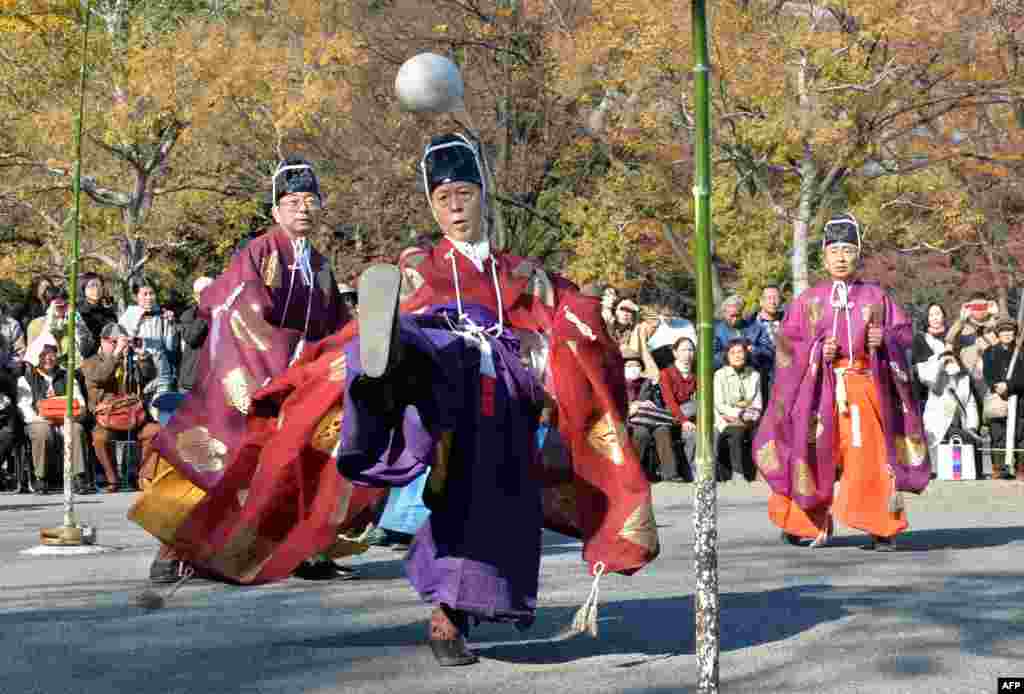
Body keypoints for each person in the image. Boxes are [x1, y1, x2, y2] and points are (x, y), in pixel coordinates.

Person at [133, 133, 658, 665]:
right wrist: (304, 357)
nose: (454, 206)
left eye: (464, 194)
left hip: (497, 401)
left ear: (483, 197)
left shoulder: (518, 273)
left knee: (486, 501)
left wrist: (589, 314)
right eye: (442, 198)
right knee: (417, 342)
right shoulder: (417, 266)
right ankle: (382, 373)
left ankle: (451, 616)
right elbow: (256, 307)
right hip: (429, 383)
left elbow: (570, 313)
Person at [131, 157, 355, 584]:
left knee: (311, 456)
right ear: (275, 211)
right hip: (245, 375)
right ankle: (169, 550)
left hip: (297, 379)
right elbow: (235, 307)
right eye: (292, 202)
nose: (302, 209)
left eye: (309, 201)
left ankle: (305, 550)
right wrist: (278, 358)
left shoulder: (321, 266)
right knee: (214, 462)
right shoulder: (259, 252)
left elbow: (336, 325)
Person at [754, 214, 930, 551]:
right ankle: (803, 522)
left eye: (848, 249)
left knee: (871, 454)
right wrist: (818, 348)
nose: (840, 257)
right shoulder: (808, 300)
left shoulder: (876, 296)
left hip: (862, 384)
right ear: (823, 255)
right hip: (817, 387)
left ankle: (881, 524)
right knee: (810, 449)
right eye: (834, 250)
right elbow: (788, 346)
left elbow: (904, 335)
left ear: (858, 254)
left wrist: (885, 341)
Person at [82, 323, 162, 492]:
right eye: (114, 342)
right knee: (99, 438)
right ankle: (113, 480)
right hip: (107, 419)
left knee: (156, 431)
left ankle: (142, 476)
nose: (119, 346)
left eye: (122, 342)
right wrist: (117, 354)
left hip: (133, 417)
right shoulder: (90, 363)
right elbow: (101, 376)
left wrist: (142, 356)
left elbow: (149, 376)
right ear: (102, 341)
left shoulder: (129, 361)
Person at [16, 344, 88, 494]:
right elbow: (24, 407)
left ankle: (78, 476)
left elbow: (80, 402)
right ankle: (40, 478)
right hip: (38, 420)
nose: (48, 358)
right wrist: (40, 419)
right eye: (43, 354)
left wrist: (74, 416)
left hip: (65, 419)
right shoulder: (26, 378)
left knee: (76, 429)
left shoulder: (67, 376)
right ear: (37, 357)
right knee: (42, 431)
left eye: (52, 354)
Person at [118, 280, 179, 396]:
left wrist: (171, 325)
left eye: (151, 293)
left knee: (161, 401)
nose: (149, 297)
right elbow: (123, 339)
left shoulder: (161, 314)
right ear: (136, 297)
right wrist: (138, 320)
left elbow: (170, 346)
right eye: (144, 294)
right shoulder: (129, 314)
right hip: (138, 366)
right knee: (140, 403)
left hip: (161, 365)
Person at [713, 338, 761, 482]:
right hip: (726, 419)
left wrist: (749, 416)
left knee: (762, 432)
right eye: (732, 352)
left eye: (740, 351)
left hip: (749, 418)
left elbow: (757, 404)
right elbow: (719, 404)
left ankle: (762, 472)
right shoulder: (719, 375)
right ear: (727, 356)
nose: (737, 355)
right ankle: (738, 472)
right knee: (736, 432)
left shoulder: (754, 375)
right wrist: (738, 413)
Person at [982, 318, 1024, 480]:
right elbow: (988, 374)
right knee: (997, 433)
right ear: (998, 333)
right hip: (998, 398)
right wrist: (996, 386)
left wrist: (1010, 385)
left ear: (1015, 333)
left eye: (1010, 331)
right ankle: (998, 467)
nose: (1007, 334)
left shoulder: (1020, 352)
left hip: (1020, 399)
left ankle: (1020, 467)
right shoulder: (990, 352)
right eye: (1003, 331)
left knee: (1020, 434)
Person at [657, 337, 698, 481]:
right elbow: (669, 401)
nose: (688, 353)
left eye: (691, 349)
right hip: (671, 414)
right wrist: (684, 420)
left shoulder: (696, 374)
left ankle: (689, 470)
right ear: (675, 353)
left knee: (691, 434)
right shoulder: (666, 373)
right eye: (684, 350)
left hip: (689, 417)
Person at [25, 286, 95, 368]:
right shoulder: (36, 324)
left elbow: (86, 348)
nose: (62, 308)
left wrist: (78, 325)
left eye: (65, 305)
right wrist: (51, 323)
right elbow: (33, 357)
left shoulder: (75, 319)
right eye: (58, 305)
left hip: (75, 368)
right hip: (48, 369)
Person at [712, 294, 772, 372]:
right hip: (726, 375)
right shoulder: (716, 330)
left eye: (738, 315)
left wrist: (754, 350)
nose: (735, 319)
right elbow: (712, 357)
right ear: (724, 313)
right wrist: (731, 355)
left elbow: (769, 352)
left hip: (752, 373)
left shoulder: (756, 328)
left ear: (742, 312)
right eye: (731, 316)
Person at [177, 277, 213, 394]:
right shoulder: (188, 315)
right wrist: (204, 313)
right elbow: (192, 338)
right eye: (203, 293)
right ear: (195, 296)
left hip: (215, 381)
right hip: (192, 382)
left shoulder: (222, 313)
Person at [911, 303, 949, 409]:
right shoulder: (920, 338)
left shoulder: (951, 337)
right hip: (930, 392)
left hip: (954, 388)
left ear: (944, 316)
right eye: (931, 315)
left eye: (937, 314)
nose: (935, 318)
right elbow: (922, 370)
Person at [77, 272, 117, 355]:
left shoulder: (108, 311)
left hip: (108, 357)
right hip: (84, 358)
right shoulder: (78, 311)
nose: (96, 289)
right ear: (83, 288)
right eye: (92, 286)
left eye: (99, 285)